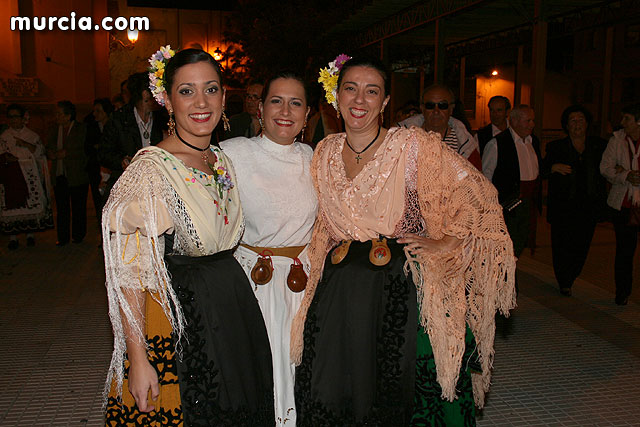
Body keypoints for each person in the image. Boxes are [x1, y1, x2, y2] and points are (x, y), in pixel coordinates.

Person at [293, 56, 516, 425]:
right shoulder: (324, 152)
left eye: (372, 91)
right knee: (339, 390)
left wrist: (448, 241)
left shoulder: (414, 146)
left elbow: (477, 194)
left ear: (384, 102)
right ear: (336, 97)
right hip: (341, 295)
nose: (359, 99)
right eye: (350, 88)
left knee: (408, 395)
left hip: (404, 291)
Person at [103, 47, 274, 425]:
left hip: (230, 306)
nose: (201, 102)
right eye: (186, 91)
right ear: (165, 99)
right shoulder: (150, 172)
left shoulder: (219, 158)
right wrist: (138, 358)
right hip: (182, 320)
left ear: (224, 96)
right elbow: (129, 275)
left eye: (211, 89)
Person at [221, 71, 317, 426]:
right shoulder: (233, 153)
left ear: (308, 114)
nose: (285, 110)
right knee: (261, 368)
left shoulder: (316, 159)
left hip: (305, 282)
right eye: (276, 100)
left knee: (301, 369)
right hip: (254, 281)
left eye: (296, 103)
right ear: (259, 108)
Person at [542, 105, 607, 297]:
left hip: (588, 206)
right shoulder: (556, 147)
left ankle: (573, 274)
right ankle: (564, 281)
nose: (577, 124)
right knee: (561, 245)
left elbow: (610, 166)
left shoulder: (599, 146)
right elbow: (542, 169)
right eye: (572, 120)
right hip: (563, 207)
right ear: (566, 125)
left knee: (582, 245)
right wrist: (553, 167)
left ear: (587, 124)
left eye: (580, 120)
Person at [482, 105, 542, 259]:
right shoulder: (497, 144)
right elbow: (485, 177)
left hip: (528, 202)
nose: (532, 124)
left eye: (532, 120)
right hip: (507, 205)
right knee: (507, 245)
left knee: (522, 240)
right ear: (514, 121)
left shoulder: (532, 142)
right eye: (528, 120)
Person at [600, 103, 640, 306]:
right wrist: (626, 174)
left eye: (627, 119)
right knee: (625, 251)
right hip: (623, 205)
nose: (622, 123)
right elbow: (605, 167)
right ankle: (622, 291)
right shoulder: (617, 140)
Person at [99, 72, 164, 194]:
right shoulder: (119, 119)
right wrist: (121, 161)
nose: (160, 96)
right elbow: (103, 154)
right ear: (145, 94)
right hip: (127, 186)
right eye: (157, 92)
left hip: (156, 185)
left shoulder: (162, 117)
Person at [0, 104, 53, 248]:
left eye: (16, 116)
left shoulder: (32, 135)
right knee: (12, 205)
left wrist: (25, 145)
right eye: (10, 117)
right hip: (11, 177)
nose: (13, 120)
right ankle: (13, 238)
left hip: (30, 177)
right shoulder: (4, 137)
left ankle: (30, 235)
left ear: (23, 118)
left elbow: (40, 154)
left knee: (29, 202)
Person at [399, 85, 482, 170]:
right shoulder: (404, 138)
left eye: (442, 105)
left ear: (451, 109)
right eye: (430, 105)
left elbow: (478, 180)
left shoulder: (466, 145)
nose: (436, 111)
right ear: (422, 108)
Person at [46, 100, 88, 246]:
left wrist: (67, 153)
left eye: (59, 114)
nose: (56, 117)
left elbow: (85, 149)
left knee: (78, 207)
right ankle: (63, 237)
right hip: (60, 174)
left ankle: (78, 235)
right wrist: (51, 152)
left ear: (68, 115)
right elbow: (49, 145)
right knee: (62, 208)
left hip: (77, 174)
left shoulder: (81, 129)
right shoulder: (53, 129)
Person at [86, 98, 113, 226]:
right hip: (95, 169)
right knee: (98, 202)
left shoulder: (113, 127)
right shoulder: (91, 127)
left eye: (98, 111)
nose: (95, 114)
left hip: (110, 169)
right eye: (94, 111)